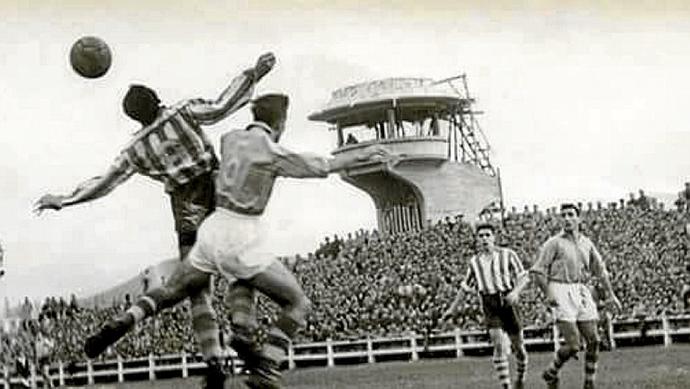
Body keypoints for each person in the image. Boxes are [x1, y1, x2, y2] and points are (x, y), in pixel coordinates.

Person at [82, 93, 394, 388]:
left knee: (174, 289)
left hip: (212, 228)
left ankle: (127, 318)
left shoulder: (229, 139)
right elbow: (323, 165)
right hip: (242, 234)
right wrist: (366, 153)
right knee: (297, 302)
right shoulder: (271, 151)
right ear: (281, 123)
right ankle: (266, 367)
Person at [33, 52, 276, 389]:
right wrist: (253, 74)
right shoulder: (183, 111)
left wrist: (65, 199)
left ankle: (214, 359)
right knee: (241, 265)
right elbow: (221, 106)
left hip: (184, 209)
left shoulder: (135, 148)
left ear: (134, 117)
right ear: (157, 99)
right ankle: (243, 334)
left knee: (196, 289)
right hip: (214, 189)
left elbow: (107, 181)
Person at [526, 203, 622, 389]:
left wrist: (611, 295)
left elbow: (601, 270)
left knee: (594, 340)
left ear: (579, 218)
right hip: (559, 289)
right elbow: (538, 271)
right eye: (563, 215)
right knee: (573, 345)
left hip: (580, 289)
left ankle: (589, 383)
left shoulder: (586, 243)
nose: (567, 218)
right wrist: (548, 293)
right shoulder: (554, 243)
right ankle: (551, 372)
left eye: (570, 214)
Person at [442, 223, 530, 389]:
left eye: (487, 235)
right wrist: (452, 309)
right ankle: (506, 386)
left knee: (518, 346)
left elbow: (523, 277)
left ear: (494, 237)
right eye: (481, 236)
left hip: (507, 300)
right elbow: (465, 287)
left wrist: (516, 292)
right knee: (497, 343)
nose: (484, 239)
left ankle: (521, 376)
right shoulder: (475, 262)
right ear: (477, 239)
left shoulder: (508, 254)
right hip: (489, 302)